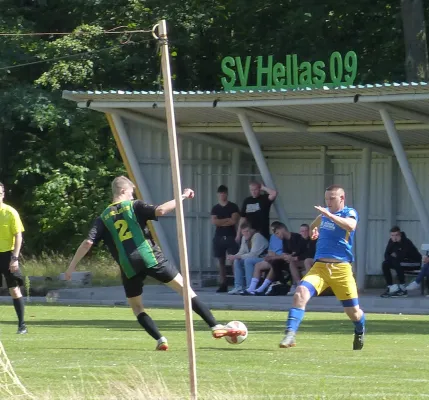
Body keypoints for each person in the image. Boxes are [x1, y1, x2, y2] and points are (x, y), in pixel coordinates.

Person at [65, 176, 243, 350]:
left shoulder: (103, 217)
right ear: (123, 191)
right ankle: (214, 326)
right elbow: (161, 210)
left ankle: (160, 339)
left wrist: (72, 267)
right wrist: (182, 197)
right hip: (151, 257)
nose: (133, 196)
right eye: (131, 193)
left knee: (137, 308)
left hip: (128, 267)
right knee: (185, 291)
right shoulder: (134, 205)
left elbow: (88, 242)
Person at [279, 185, 365, 351]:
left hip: (341, 269)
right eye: (326, 199)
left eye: (332, 198)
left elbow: (351, 226)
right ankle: (290, 333)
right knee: (300, 293)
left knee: (353, 312)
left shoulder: (349, 212)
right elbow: (313, 228)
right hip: (320, 267)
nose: (328, 202)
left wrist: (329, 215)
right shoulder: (324, 215)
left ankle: (359, 329)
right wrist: (314, 233)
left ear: (342, 198)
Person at [0, 182, 27, 334]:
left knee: (14, 290)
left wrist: (14, 258)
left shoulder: (10, 212)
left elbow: (18, 236)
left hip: (8, 255)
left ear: (3, 194)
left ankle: (22, 325)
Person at [210, 185, 240, 293]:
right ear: (218, 194)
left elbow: (234, 221)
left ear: (227, 194)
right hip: (218, 236)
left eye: (224, 193)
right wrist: (227, 220)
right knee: (220, 261)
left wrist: (221, 221)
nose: (222, 195)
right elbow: (214, 221)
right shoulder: (215, 208)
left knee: (233, 260)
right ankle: (223, 284)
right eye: (220, 193)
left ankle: (238, 284)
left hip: (231, 235)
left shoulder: (233, 206)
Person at [227, 222, 268, 295]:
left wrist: (238, 256)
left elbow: (253, 254)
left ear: (252, 230)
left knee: (248, 261)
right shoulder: (244, 238)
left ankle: (249, 287)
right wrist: (234, 256)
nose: (246, 233)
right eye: (244, 232)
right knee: (237, 261)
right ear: (241, 232)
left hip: (264, 258)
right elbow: (242, 252)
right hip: (254, 258)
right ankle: (238, 286)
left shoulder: (257, 236)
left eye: (248, 231)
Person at [380, 226, 422, 298]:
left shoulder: (406, 242)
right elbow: (386, 255)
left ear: (400, 235)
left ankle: (402, 288)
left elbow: (401, 256)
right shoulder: (391, 241)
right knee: (385, 264)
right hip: (402, 262)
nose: (394, 237)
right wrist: (393, 255)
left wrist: (395, 254)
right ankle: (390, 287)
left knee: (397, 262)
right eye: (392, 235)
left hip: (414, 262)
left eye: (396, 235)